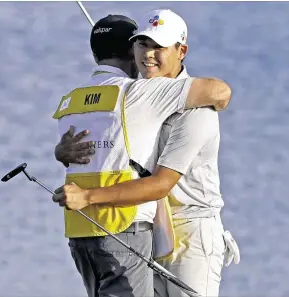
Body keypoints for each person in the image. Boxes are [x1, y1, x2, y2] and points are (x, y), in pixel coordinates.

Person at [53, 9, 239, 297]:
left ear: (181, 51)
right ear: (131, 48)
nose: (148, 54)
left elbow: (161, 184)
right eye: (142, 44)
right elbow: (107, 144)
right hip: (149, 225)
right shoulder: (136, 96)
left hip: (191, 231)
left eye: (158, 47)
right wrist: (62, 151)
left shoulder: (195, 110)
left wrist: (88, 197)